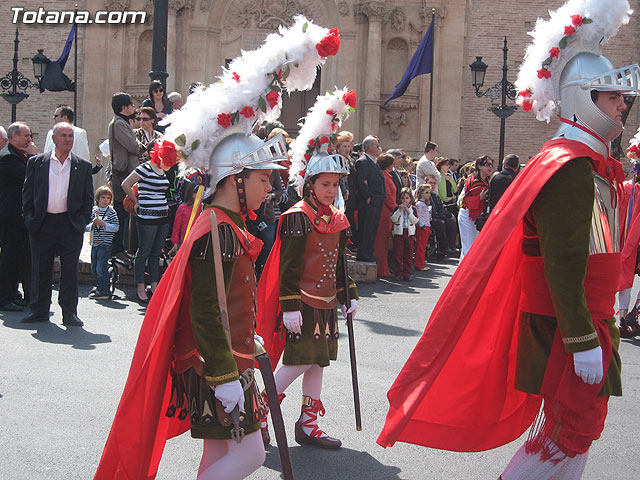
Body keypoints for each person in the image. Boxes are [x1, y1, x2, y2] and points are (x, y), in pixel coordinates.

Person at [377, 3, 636, 479]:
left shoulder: (584, 163)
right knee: (570, 436)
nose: (624, 105)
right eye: (612, 96)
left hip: (585, 322)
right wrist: (581, 340)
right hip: (570, 327)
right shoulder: (571, 167)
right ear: (583, 98)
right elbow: (563, 264)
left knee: (569, 438)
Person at [93, 16, 333, 478]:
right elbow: (204, 308)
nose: (269, 188)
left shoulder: (225, 223)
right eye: (263, 179)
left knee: (219, 457)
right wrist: (225, 374)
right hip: (214, 365)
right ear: (236, 181)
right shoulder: (216, 228)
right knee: (248, 456)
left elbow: (231, 298)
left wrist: (249, 338)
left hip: (230, 356)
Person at [256, 88, 358, 449]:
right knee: (299, 362)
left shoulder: (337, 218)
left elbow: (340, 262)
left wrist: (349, 296)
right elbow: (289, 265)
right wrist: (289, 306)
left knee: (317, 364)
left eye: (335, 184)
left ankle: (308, 423)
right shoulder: (298, 218)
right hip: (303, 302)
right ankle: (261, 410)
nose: (332, 190)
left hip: (327, 301)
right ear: (311, 184)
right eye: (325, 184)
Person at [22, 122, 93, 326]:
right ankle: (38, 309)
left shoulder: (82, 166)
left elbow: (88, 198)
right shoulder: (37, 163)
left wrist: (81, 221)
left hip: (70, 224)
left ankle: (69, 312)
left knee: (70, 270)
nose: (68, 140)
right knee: (41, 268)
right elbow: (27, 194)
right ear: (53, 138)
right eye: (63, 136)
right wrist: (30, 218)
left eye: (71, 136)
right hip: (42, 223)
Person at [122, 144, 171, 303]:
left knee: (155, 253)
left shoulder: (162, 170)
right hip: (147, 216)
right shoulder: (144, 168)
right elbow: (125, 184)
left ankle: (154, 285)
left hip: (163, 215)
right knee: (144, 251)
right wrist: (136, 201)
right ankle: (140, 286)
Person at [108, 92, 144, 260]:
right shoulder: (119, 124)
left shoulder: (122, 123)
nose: (133, 107)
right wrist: (141, 145)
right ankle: (116, 249)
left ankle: (120, 248)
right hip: (122, 174)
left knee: (124, 212)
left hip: (125, 173)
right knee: (121, 212)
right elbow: (133, 146)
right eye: (131, 104)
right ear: (124, 107)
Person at [0, 122, 32, 311]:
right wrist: (34, 156)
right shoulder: (8, 157)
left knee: (16, 258)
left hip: (17, 217)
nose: (29, 139)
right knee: (10, 259)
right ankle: (5, 298)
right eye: (26, 136)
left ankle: (12, 293)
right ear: (14, 137)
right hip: (10, 217)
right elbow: (29, 176)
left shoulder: (18, 156)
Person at [355, 135, 385, 262]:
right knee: (366, 228)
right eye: (375, 145)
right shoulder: (363, 162)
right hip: (369, 201)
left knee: (372, 228)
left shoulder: (374, 162)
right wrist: (367, 196)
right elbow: (361, 182)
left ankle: (369, 252)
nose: (378, 147)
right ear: (368, 147)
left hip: (377, 201)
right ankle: (363, 253)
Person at [86, 186, 119, 300]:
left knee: (101, 267)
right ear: (97, 199)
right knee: (94, 267)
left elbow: (115, 227)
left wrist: (104, 224)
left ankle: (104, 291)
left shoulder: (111, 212)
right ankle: (100, 285)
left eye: (108, 198)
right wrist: (93, 225)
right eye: (103, 197)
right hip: (95, 242)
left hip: (105, 243)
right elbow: (87, 226)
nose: (105, 200)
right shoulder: (94, 210)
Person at [458, 155, 493, 261]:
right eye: (487, 164)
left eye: (491, 164)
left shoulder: (486, 181)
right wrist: (480, 197)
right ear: (479, 166)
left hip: (477, 217)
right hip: (468, 216)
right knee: (469, 249)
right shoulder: (472, 181)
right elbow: (464, 202)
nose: (490, 167)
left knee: (472, 249)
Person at [373, 153, 397, 277]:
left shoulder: (387, 176)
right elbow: (387, 195)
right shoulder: (384, 177)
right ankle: (382, 270)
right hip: (385, 211)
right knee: (382, 241)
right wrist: (395, 207)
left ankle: (384, 269)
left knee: (384, 240)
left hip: (387, 210)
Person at [425, 175, 458, 257]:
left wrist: (443, 216)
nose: (432, 185)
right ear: (425, 183)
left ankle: (452, 246)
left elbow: (441, 209)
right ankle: (443, 248)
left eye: (434, 183)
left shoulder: (435, 196)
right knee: (439, 223)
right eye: (430, 183)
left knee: (451, 220)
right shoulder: (423, 195)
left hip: (438, 216)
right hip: (428, 218)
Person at [390, 187, 418, 281]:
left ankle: (407, 273)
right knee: (398, 253)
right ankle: (398, 272)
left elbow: (415, 220)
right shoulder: (397, 208)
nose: (405, 200)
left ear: (410, 199)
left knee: (408, 254)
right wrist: (399, 210)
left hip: (409, 233)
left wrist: (409, 212)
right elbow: (393, 219)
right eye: (402, 198)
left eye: (407, 198)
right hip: (399, 232)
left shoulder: (413, 209)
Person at [170, 181, 202, 254]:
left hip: (198, 241)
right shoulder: (182, 208)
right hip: (185, 241)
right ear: (193, 194)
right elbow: (177, 226)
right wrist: (175, 243)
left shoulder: (202, 207)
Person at [414, 184, 432, 271]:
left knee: (423, 246)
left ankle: (421, 262)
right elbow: (419, 216)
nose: (428, 194)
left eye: (429, 192)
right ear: (421, 193)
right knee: (420, 246)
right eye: (426, 192)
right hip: (423, 227)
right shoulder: (419, 204)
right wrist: (422, 225)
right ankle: (419, 264)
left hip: (427, 226)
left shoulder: (425, 204)